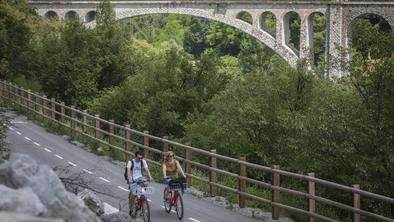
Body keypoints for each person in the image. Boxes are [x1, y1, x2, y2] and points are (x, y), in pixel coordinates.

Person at [126, 150, 153, 215]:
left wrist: (150, 177)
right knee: (133, 194)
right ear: (135, 156)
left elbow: (147, 169)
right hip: (132, 178)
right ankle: (131, 208)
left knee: (146, 184)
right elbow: (128, 172)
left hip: (140, 177)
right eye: (139, 158)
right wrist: (130, 180)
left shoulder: (142, 161)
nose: (140, 159)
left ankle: (142, 200)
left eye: (141, 158)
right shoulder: (130, 162)